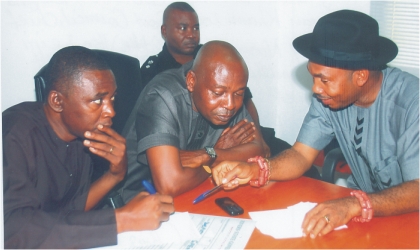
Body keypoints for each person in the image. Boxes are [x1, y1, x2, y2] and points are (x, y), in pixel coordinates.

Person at [211, 9, 419, 239]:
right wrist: (255, 170)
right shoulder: (330, 97)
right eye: (313, 77)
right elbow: (301, 155)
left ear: (360, 77)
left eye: (324, 80)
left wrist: (354, 204)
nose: (316, 89)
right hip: (362, 217)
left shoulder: (411, 103)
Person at [2, 46, 174, 249]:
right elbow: (13, 230)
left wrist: (115, 175)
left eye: (112, 98)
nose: (111, 111)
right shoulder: (13, 135)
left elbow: (70, 211)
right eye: (98, 100)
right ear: (57, 101)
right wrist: (123, 219)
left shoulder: (82, 135)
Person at [140, 2, 297, 159]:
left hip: (235, 134)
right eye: (183, 28)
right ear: (164, 30)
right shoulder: (156, 75)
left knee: (292, 160)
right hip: (192, 147)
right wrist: (214, 150)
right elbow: (166, 152)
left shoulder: (212, 56)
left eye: (196, 28)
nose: (191, 34)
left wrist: (259, 137)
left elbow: (246, 103)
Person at [135, 40, 267, 197]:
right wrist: (212, 158)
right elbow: (170, 185)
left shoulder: (228, 93)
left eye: (239, 93)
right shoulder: (162, 96)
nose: (230, 105)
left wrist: (209, 154)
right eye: (218, 93)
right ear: (191, 81)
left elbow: (261, 149)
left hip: (197, 191)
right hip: (139, 199)